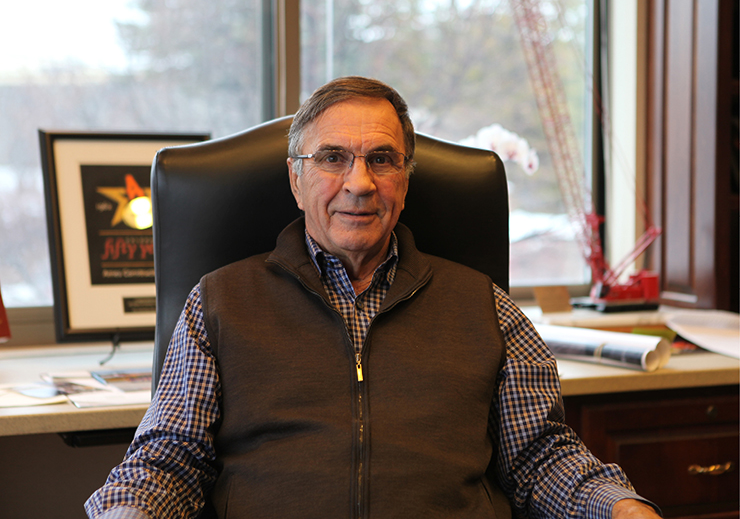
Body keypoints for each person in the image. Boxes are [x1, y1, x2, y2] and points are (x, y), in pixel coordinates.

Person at [85, 76, 661, 519]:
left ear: (405, 181)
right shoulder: (218, 304)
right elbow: (170, 458)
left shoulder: (487, 309)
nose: (359, 183)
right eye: (332, 158)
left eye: (381, 160)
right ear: (295, 179)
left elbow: (542, 459)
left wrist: (621, 508)